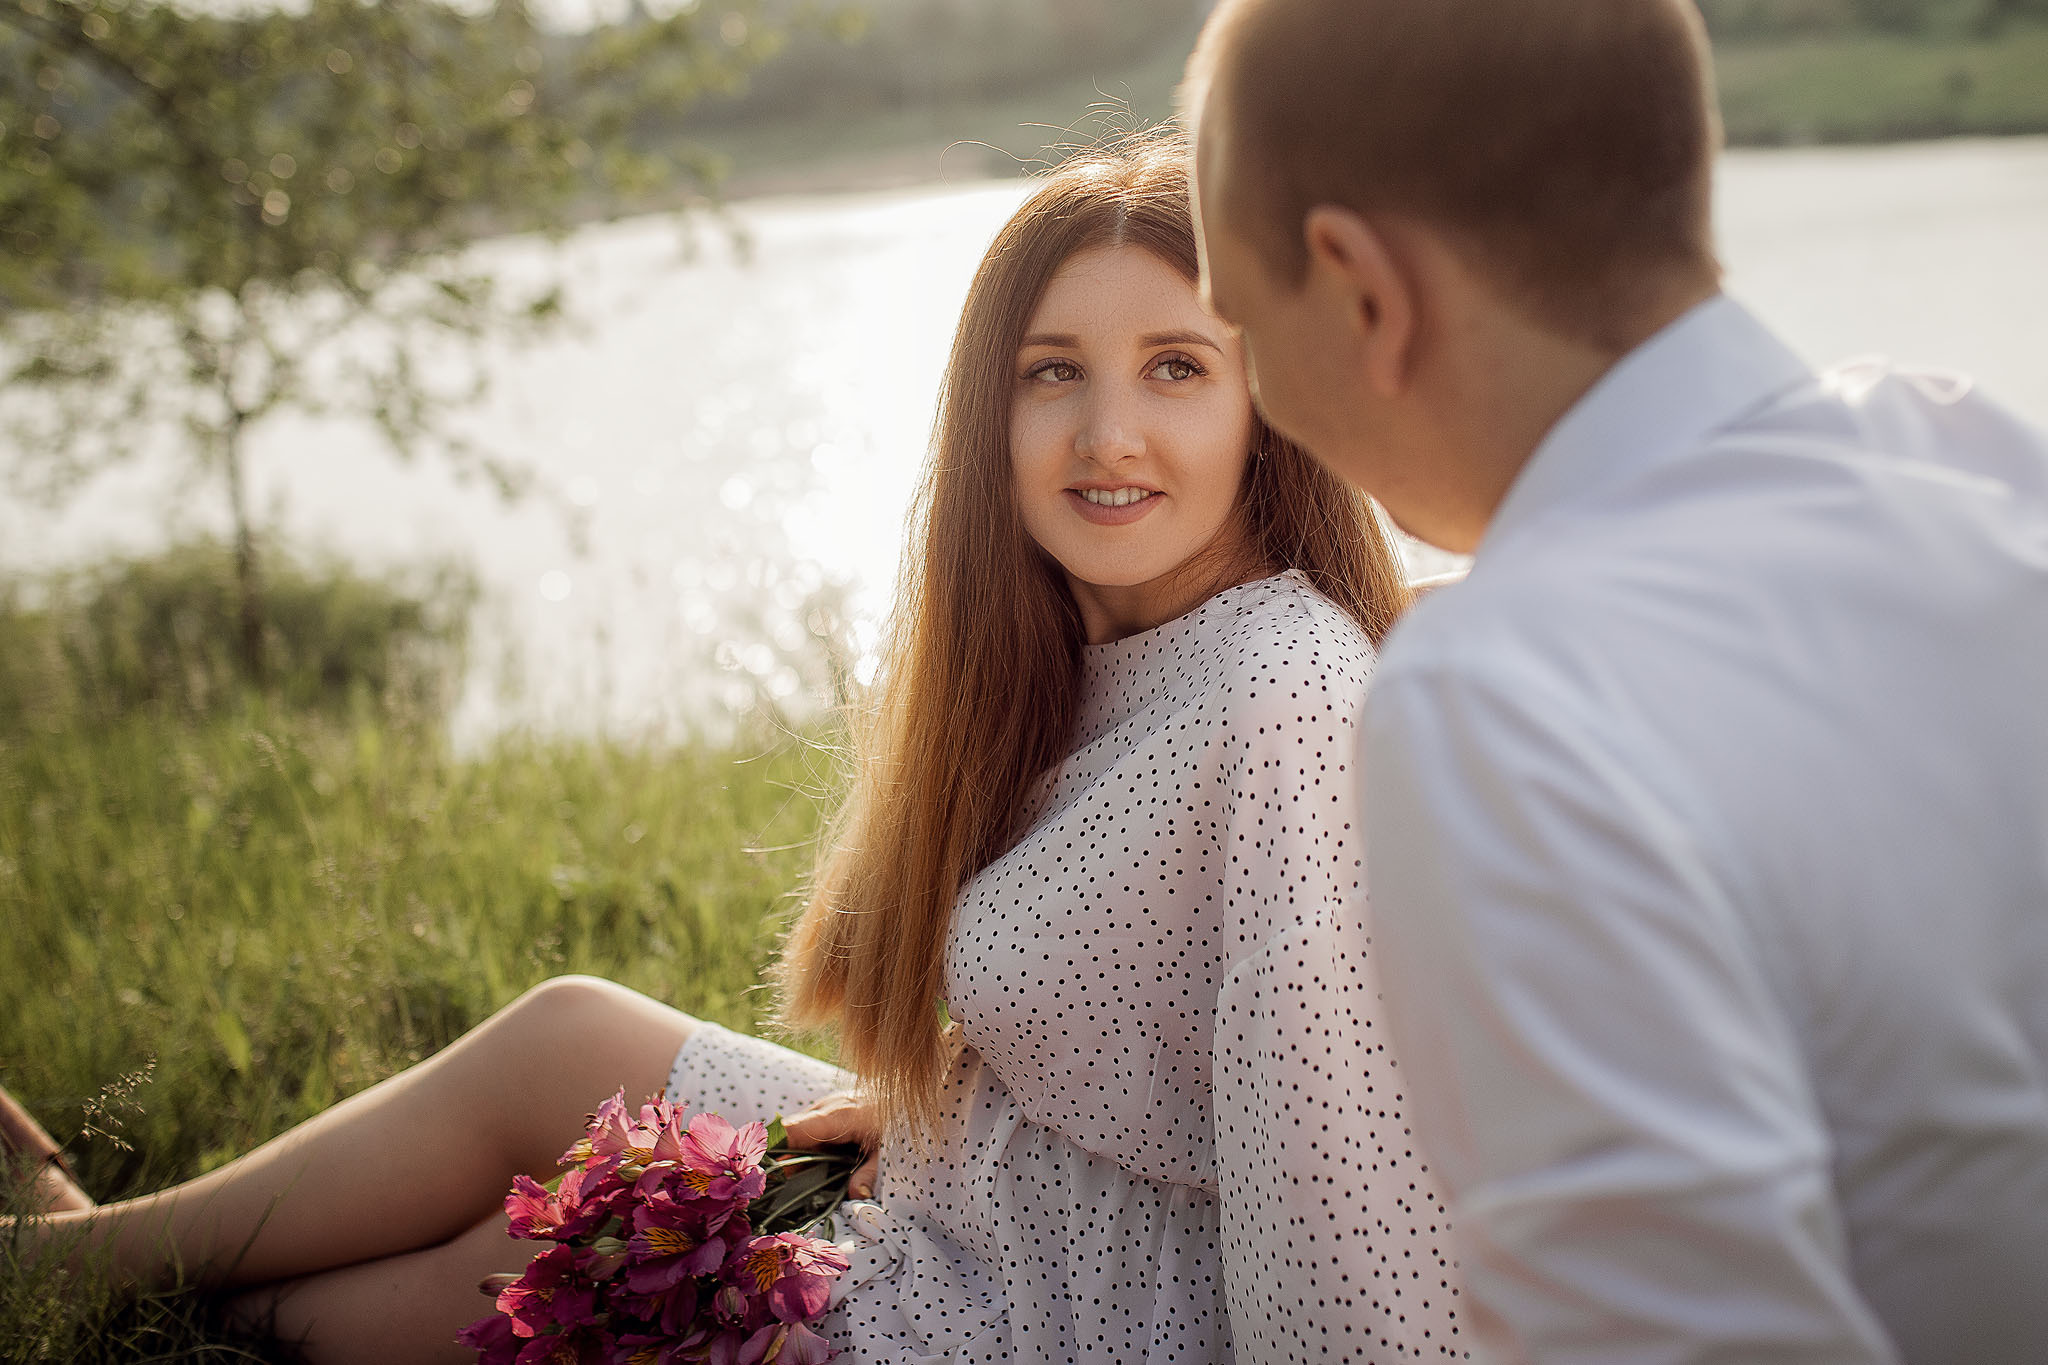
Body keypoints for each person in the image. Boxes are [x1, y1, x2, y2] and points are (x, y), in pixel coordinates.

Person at [5, 135, 1468, 1363]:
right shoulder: (1088, 656)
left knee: (530, 1263)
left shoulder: (1280, 689)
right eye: (1051, 373)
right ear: (991, 410)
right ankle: (84, 1259)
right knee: (573, 1044)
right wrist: (912, 1114)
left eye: (1173, 369)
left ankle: (115, 1290)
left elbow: (1336, 1183)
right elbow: (1126, 1049)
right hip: (943, 1178)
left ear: (1265, 406)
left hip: (1030, 1313)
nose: (1106, 433)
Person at [1184, 1, 2048, 1361]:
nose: (1260, 393)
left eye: (1239, 320)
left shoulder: (1504, 692)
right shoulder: (1979, 458)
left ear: (1362, 291)